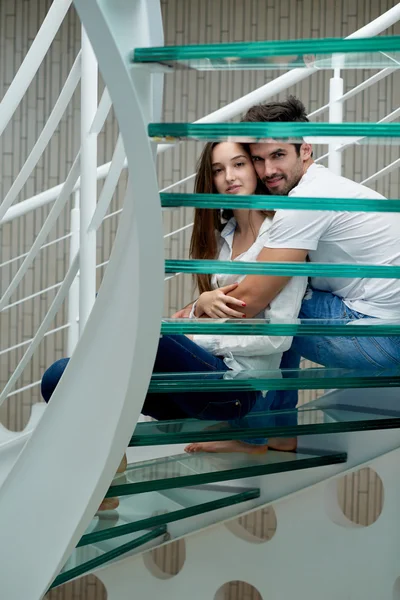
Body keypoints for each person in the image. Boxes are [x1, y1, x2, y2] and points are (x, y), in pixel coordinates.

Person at [41, 141, 307, 509]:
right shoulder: (220, 239)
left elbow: (280, 339)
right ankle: (105, 458)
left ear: (256, 169)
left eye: (239, 164)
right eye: (218, 169)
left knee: (154, 331)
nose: (229, 177)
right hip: (190, 387)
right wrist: (199, 308)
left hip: (235, 389)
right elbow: (201, 319)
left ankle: (98, 462)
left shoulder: (282, 238)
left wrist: (197, 331)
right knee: (57, 376)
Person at [185, 96, 400, 425]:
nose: (269, 171)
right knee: (283, 297)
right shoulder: (329, 187)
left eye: (278, 155)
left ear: (305, 149)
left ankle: (255, 430)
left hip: (378, 337)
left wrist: (190, 317)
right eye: (258, 159)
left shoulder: (305, 202)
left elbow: (249, 301)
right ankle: (279, 432)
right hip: (381, 324)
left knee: (274, 309)